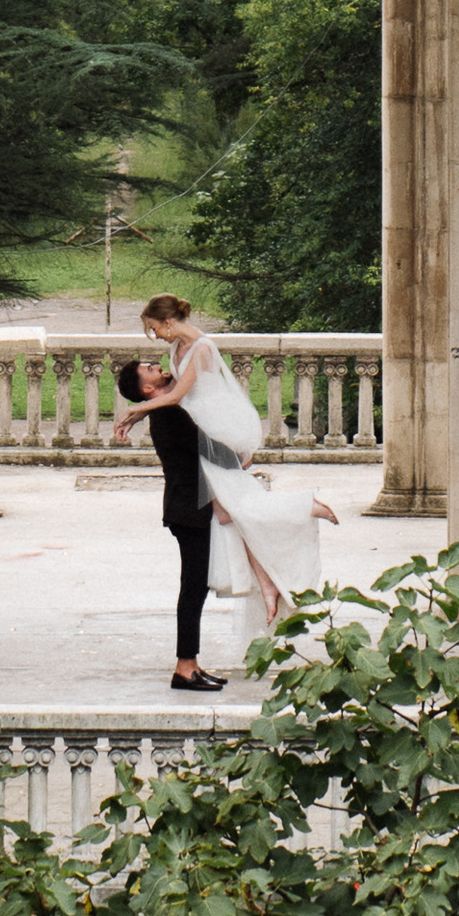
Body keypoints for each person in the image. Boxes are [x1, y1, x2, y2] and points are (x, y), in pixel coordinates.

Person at [112, 294, 341, 635]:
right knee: (225, 512)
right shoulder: (175, 351)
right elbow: (159, 394)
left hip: (212, 429)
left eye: (155, 328)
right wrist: (136, 414)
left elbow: (173, 397)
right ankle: (267, 584)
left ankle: (303, 504)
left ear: (169, 322)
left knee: (235, 507)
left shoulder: (202, 348)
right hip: (199, 428)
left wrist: (133, 411)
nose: (156, 336)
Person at [115, 352, 226, 694]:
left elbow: (186, 379)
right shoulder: (168, 414)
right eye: (150, 369)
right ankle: (185, 667)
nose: (157, 366)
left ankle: (190, 664)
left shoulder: (164, 409)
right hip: (188, 510)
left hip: (187, 508)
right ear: (148, 387)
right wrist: (238, 454)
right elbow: (203, 448)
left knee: (196, 587)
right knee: (193, 589)